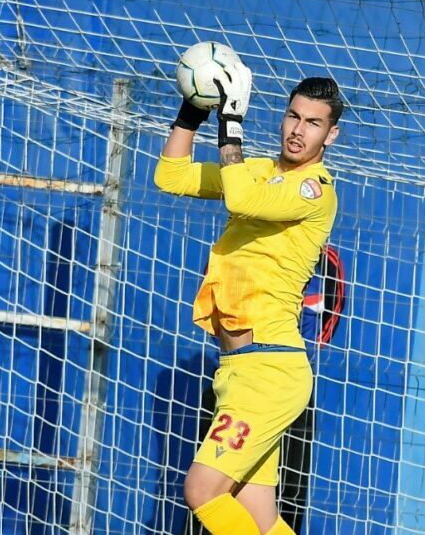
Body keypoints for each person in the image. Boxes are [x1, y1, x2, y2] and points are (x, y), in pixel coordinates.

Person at [155, 62, 342, 535]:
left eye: (313, 123)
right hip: (239, 370)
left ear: (330, 135)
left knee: (201, 490)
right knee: (259, 515)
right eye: (293, 116)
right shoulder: (257, 171)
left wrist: (231, 124)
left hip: (270, 371)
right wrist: (194, 109)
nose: (298, 130)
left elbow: (241, 201)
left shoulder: (314, 190)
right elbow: (171, 176)